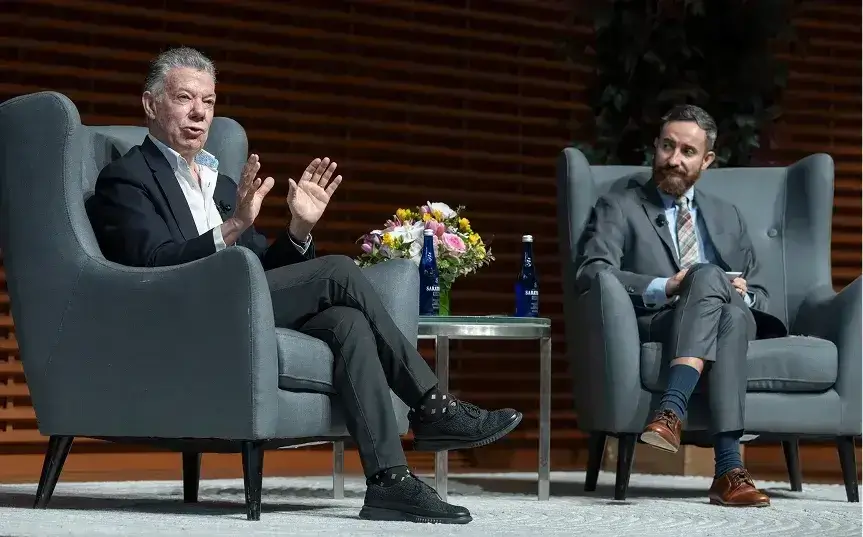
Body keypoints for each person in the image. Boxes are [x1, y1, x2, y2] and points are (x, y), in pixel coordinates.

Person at [85, 46, 522, 524]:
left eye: (208, 102)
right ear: (151, 104)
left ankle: (388, 482)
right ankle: (432, 405)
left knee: (347, 321)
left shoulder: (222, 182)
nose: (198, 113)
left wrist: (298, 230)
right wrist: (232, 228)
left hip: (239, 305)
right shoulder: (124, 179)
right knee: (338, 271)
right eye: (185, 98)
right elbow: (154, 263)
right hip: (186, 311)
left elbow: (266, 268)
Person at [576, 104, 787, 507]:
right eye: (667, 146)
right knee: (706, 277)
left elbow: (763, 293)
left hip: (726, 318)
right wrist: (665, 285)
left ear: (706, 160)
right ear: (654, 146)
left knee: (728, 307)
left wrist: (741, 293)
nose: (673, 160)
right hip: (658, 319)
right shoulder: (619, 205)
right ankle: (728, 467)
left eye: (687, 152)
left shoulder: (728, 216)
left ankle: (670, 413)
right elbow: (593, 273)